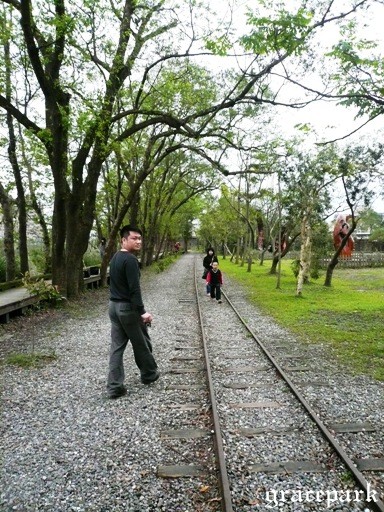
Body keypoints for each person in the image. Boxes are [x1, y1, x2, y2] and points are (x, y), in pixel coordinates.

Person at [106, 224, 159, 399]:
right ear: (124, 240)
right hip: (127, 308)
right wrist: (142, 312)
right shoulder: (130, 260)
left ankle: (114, 386)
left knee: (117, 347)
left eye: (139, 238)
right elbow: (134, 290)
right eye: (134, 238)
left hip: (113, 307)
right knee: (141, 342)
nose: (138, 241)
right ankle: (149, 374)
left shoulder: (115, 258)